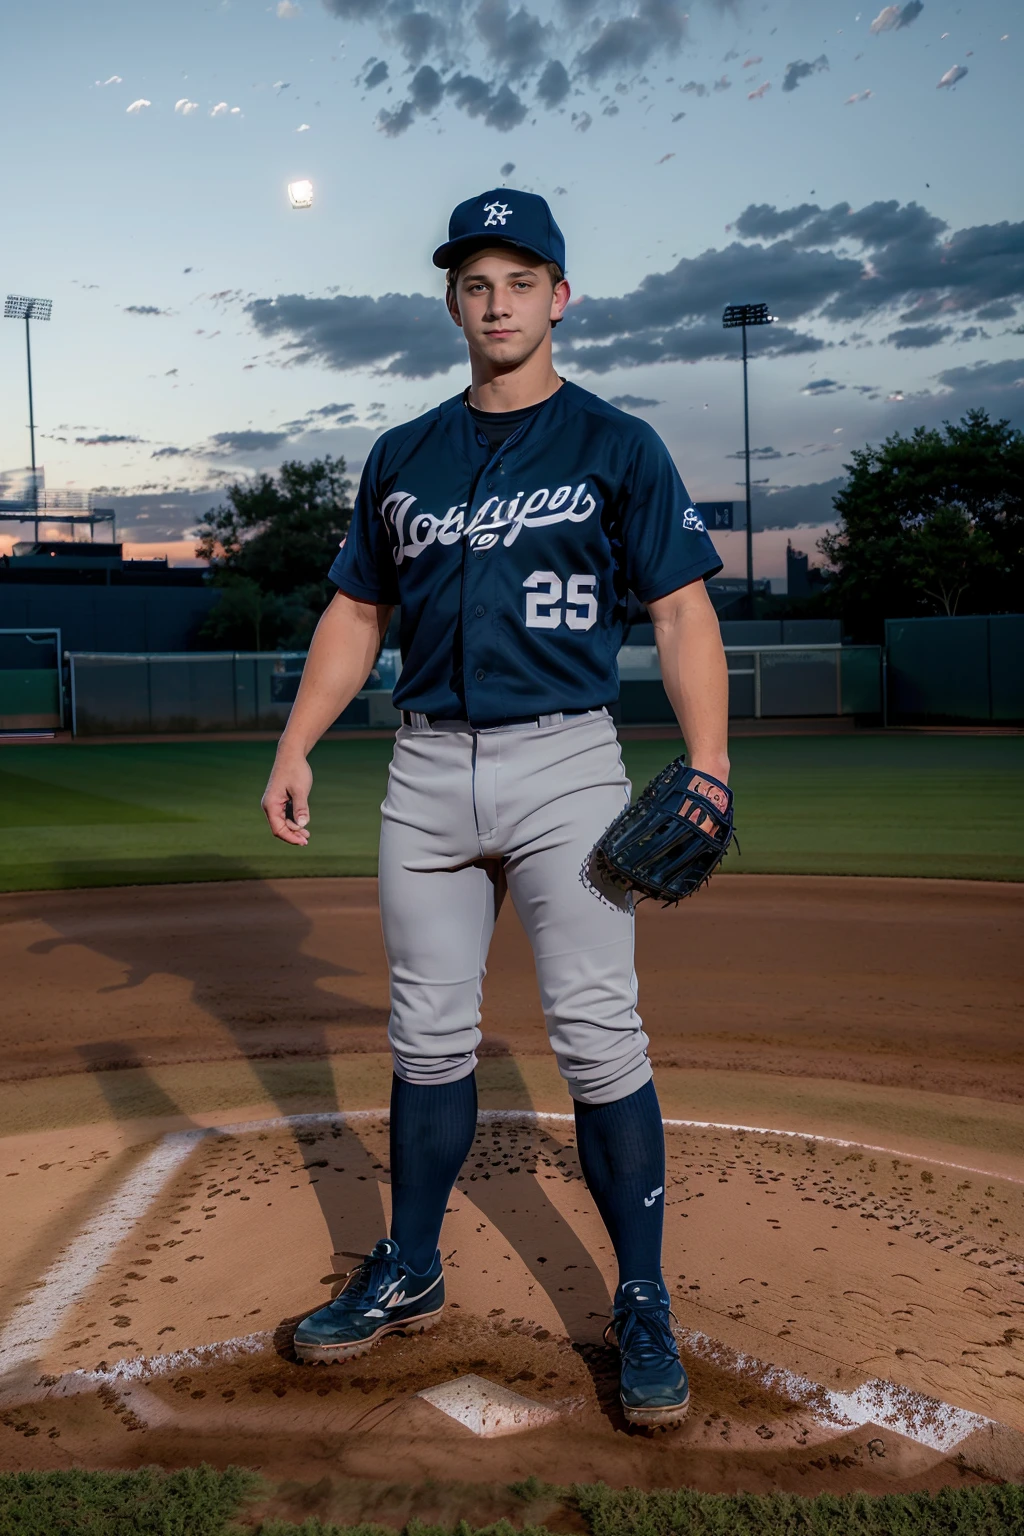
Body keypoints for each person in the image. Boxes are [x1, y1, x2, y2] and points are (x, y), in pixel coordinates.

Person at [261, 188, 729, 1427]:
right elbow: (357, 613)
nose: (497, 300)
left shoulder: (617, 447)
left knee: (593, 1029)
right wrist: (298, 742)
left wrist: (710, 763)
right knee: (425, 1033)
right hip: (422, 770)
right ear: (452, 302)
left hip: (567, 763)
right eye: (475, 282)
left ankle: (640, 1300)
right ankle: (409, 1266)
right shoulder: (401, 455)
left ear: (558, 297)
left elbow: (681, 609)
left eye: (520, 279)